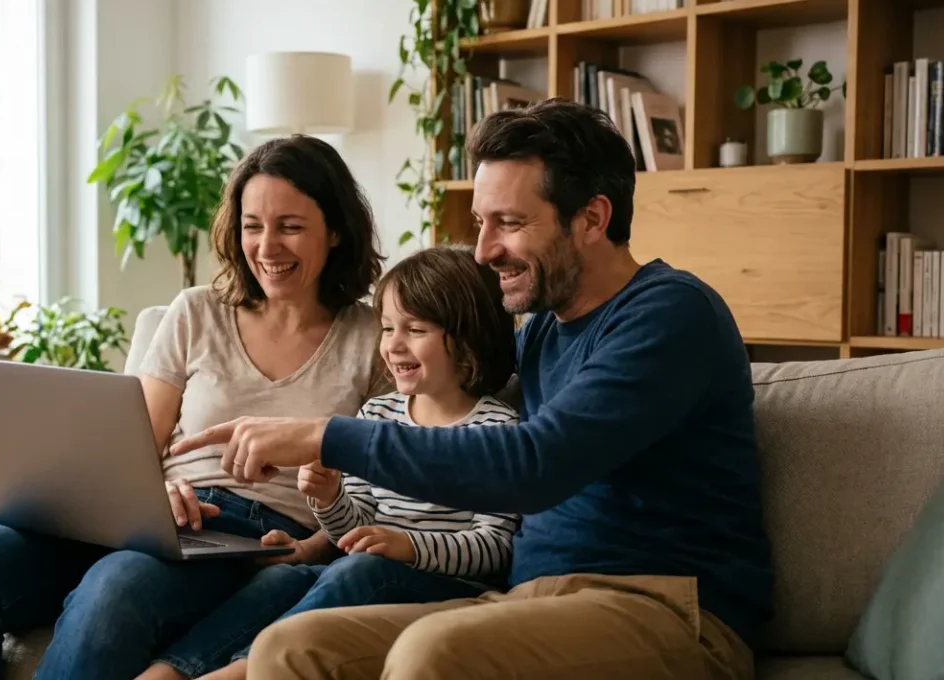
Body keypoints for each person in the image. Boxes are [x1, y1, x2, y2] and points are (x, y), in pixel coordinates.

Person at [169, 98, 776, 680]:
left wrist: (324, 436)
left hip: (665, 609)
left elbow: (532, 463)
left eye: (509, 223)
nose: (484, 251)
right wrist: (317, 529)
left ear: (592, 218)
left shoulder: (669, 315)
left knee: (432, 654)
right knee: (290, 647)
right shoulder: (542, 327)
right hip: (527, 602)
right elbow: (447, 391)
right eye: (482, 222)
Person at [0, 134, 389, 680]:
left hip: (257, 535)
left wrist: (314, 548)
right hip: (151, 516)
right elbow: (134, 444)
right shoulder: (195, 311)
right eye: (253, 226)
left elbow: (382, 486)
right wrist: (151, 494)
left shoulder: (374, 338)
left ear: (338, 230)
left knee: (116, 587)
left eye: (291, 226)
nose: (267, 247)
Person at [167, 246, 521, 680]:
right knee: (281, 581)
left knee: (362, 569)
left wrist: (409, 547)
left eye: (415, 329)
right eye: (388, 328)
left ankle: (243, 671)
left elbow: (496, 548)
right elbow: (351, 531)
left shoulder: (497, 428)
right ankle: (175, 670)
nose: (393, 345)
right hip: (371, 567)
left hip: (452, 587)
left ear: (468, 337)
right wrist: (329, 497)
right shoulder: (378, 415)